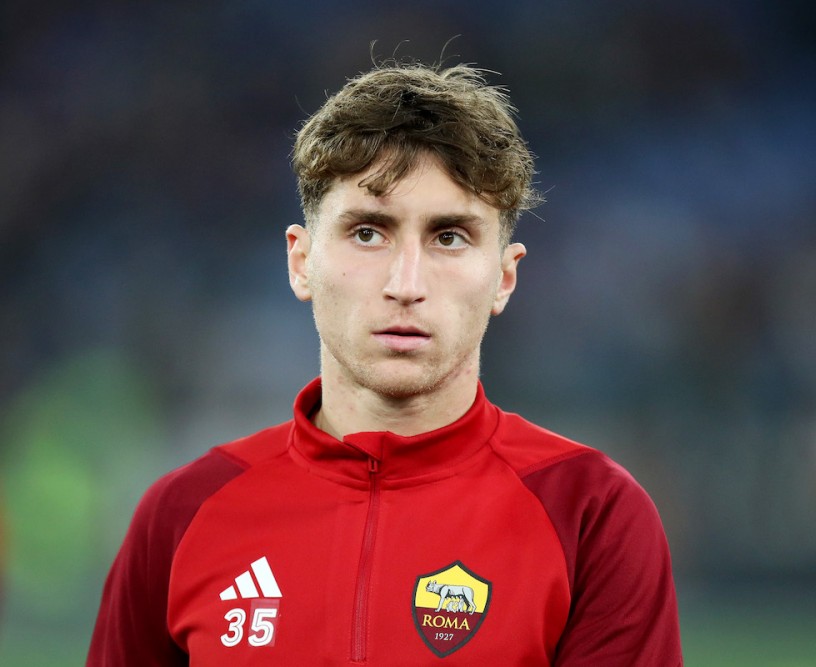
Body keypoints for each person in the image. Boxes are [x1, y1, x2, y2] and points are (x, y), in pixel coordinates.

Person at [87, 60, 683, 666]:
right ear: (301, 262)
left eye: (449, 237)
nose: (406, 284)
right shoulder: (183, 515)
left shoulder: (590, 513)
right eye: (368, 233)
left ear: (504, 278)